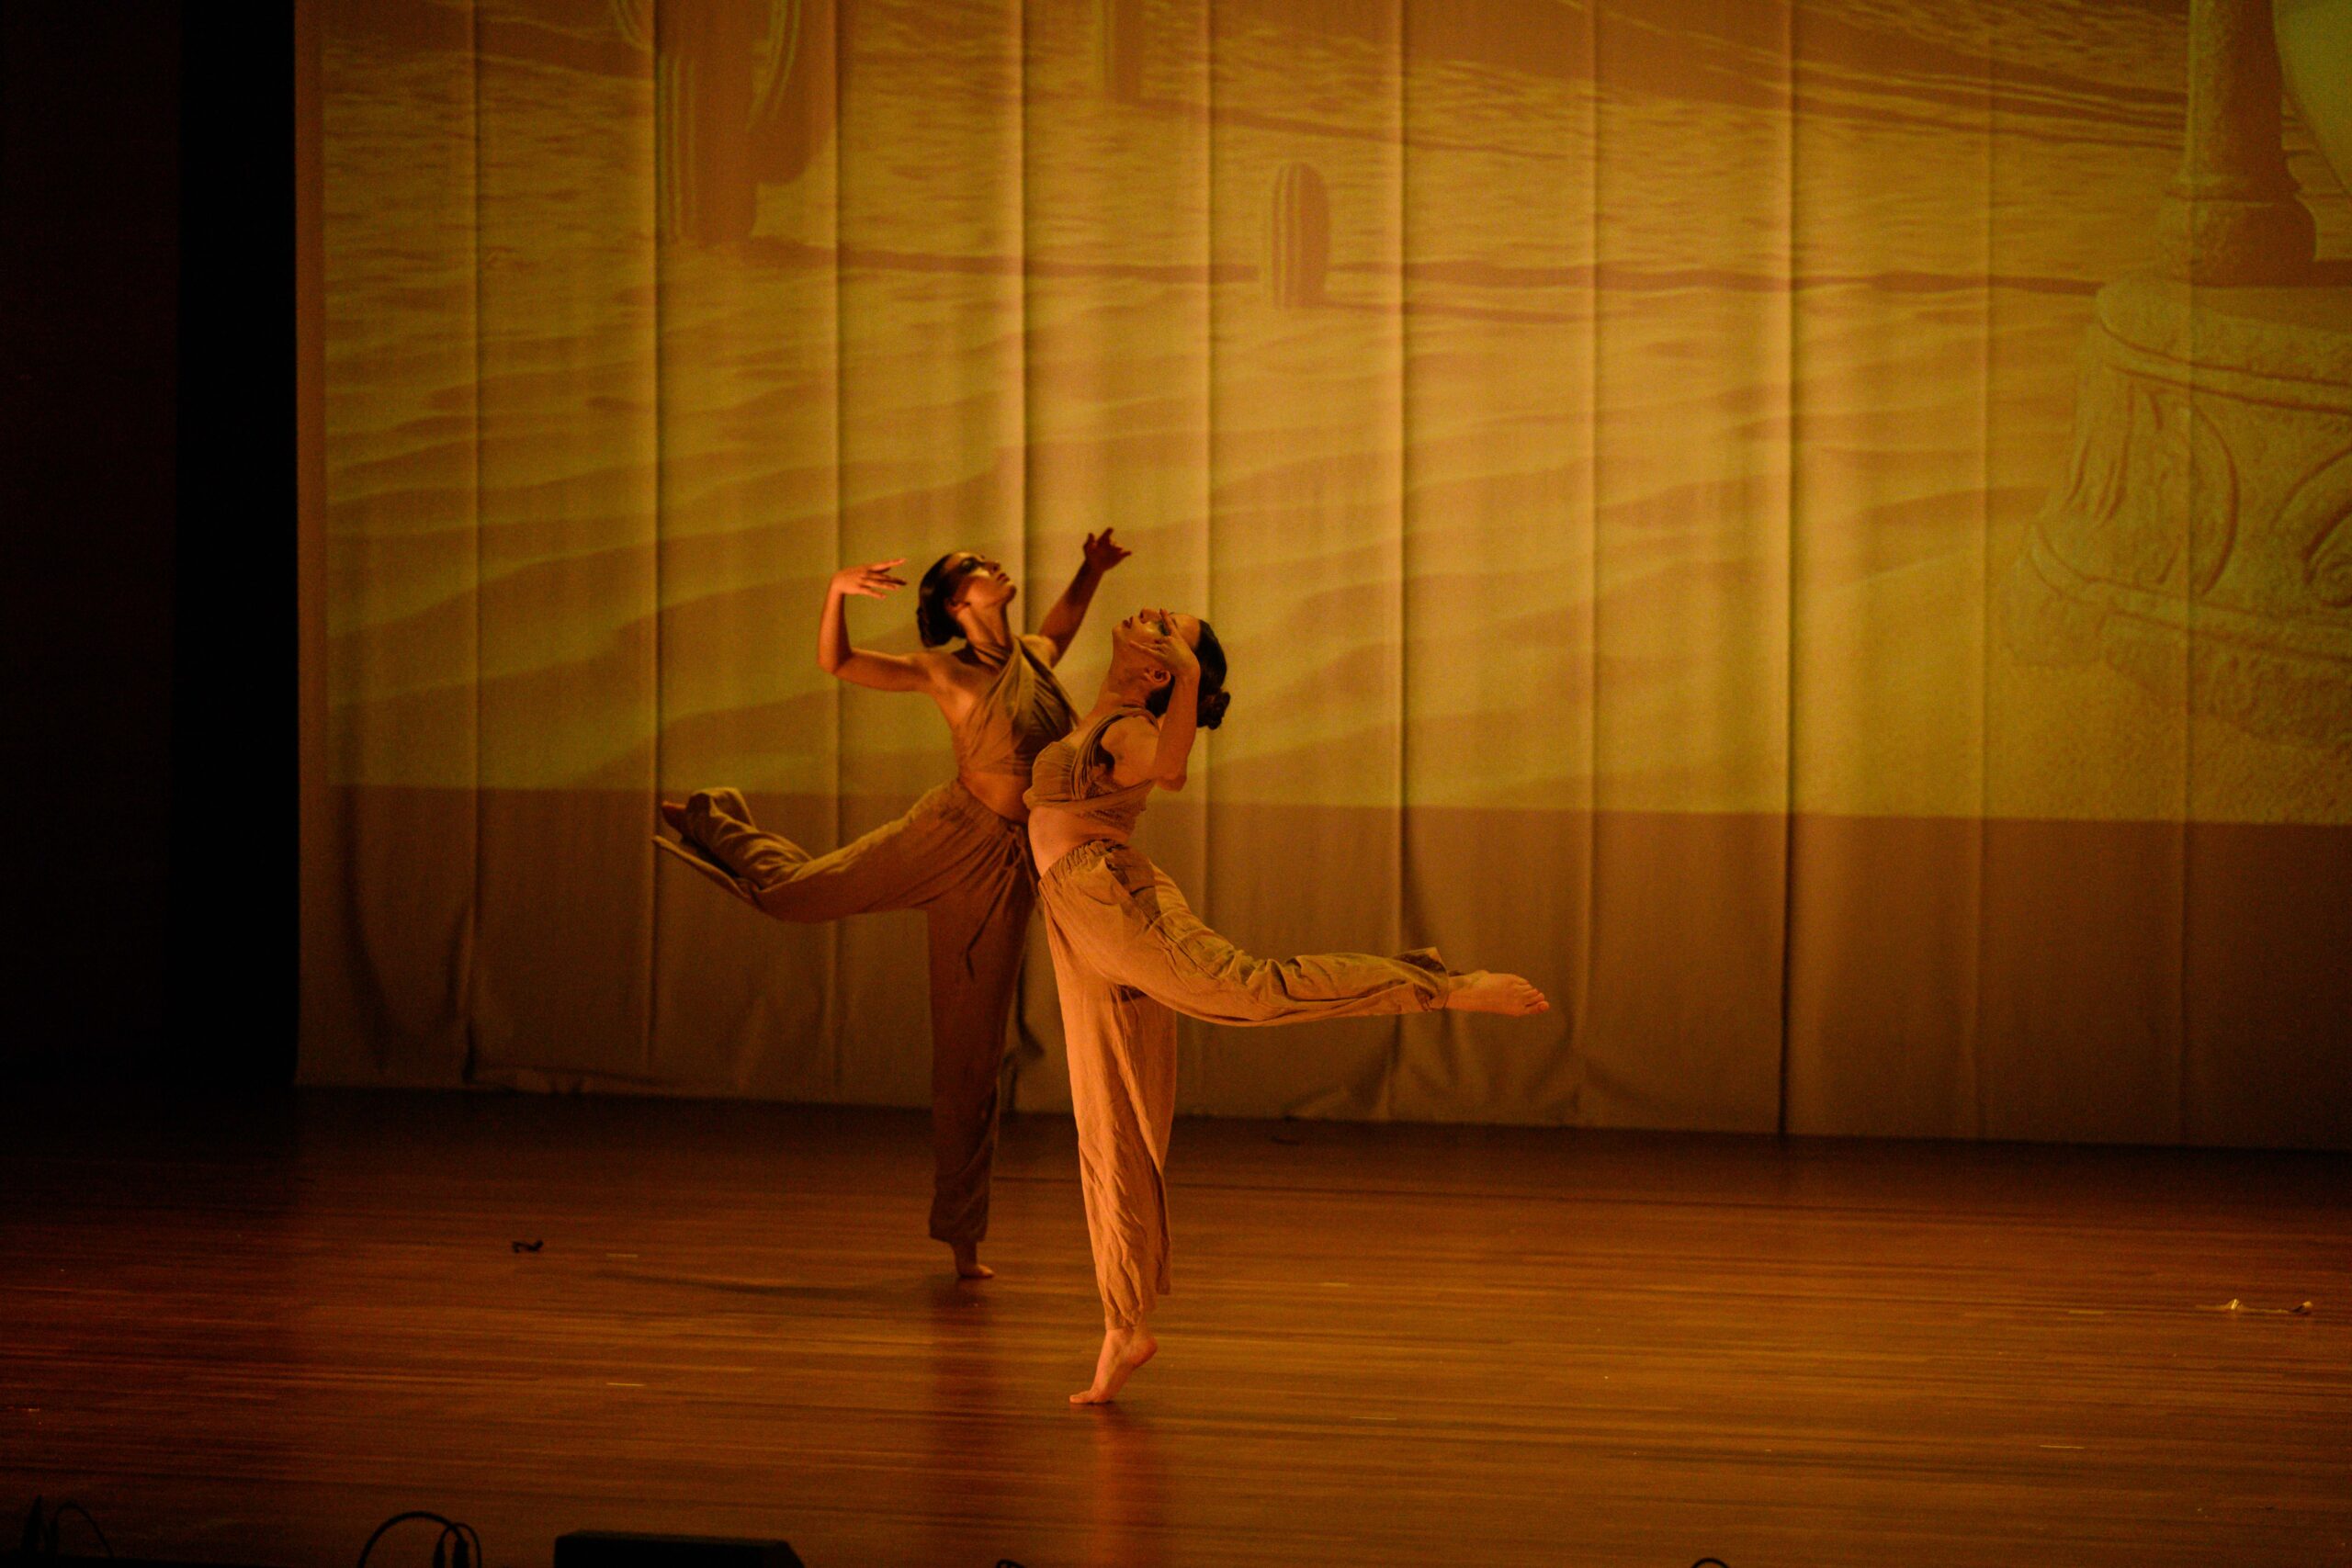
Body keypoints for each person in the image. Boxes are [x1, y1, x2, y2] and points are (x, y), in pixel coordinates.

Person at [1026, 609, 1548, 1403]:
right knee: (1109, 1116)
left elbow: (1170, 770)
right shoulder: (1093, 713)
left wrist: (1190, 680)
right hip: (1073, 912)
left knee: (1250, 989)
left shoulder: (1132, 727)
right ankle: (1123, 1323)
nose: (1148, 613)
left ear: (1161, 669)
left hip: (1110, 898)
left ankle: (1441, 985)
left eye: (1167, 626)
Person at [657, 533, 1131, 1280]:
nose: (994, 568)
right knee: (796, 893)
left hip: (1006, 865)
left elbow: (1062, 624)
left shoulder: (1033, 657)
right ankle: (711, 820)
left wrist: (1091, 570)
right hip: (947, 833)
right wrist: (835, 592)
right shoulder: (944, 670)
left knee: (971, 1055)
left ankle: (963, 1238)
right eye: (978, 569)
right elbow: (839, 663)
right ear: (957, 602)